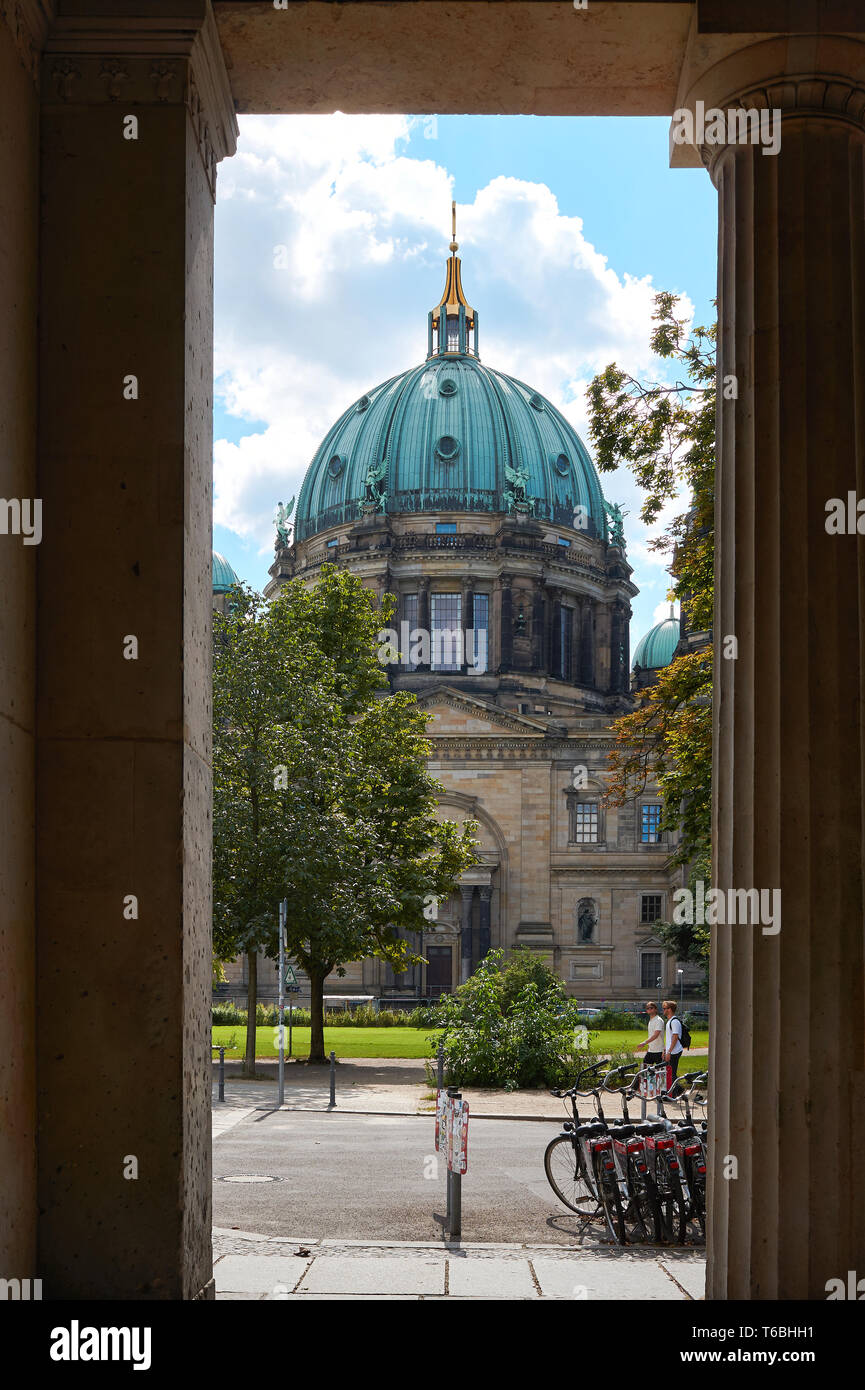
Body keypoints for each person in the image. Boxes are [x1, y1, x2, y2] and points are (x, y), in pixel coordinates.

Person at [662, 999, 685, 1098]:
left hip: (675, 1051)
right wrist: (665, 1050)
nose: (663, 1010)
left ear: (670, 1009)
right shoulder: (669, 1021)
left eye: (665, 1008)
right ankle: (677, 1091)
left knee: (672, 1074)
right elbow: (669, 1038)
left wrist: (669, 1052)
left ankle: (674, 1094)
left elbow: (675, 1037)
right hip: (671, 1051)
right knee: (669, 1073)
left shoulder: (674, 1022)